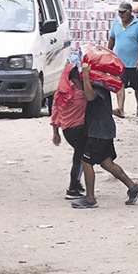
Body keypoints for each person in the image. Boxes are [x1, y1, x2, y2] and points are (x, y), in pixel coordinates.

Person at [71, 83, 138, 209]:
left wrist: (86, 75)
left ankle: (90, 198)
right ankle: (132, 187)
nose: (76, 85)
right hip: (105, 130)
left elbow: (90, 96)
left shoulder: (96, 85)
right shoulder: (100, 83)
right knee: (106, 163)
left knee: (86, 161)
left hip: (98, 132)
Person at [51, 59, 95, 199]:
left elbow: (55, 112)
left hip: (66, 130)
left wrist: (55, 133)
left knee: (79, 157)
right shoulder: (80, 94)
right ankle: (73, 188)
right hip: (79, 130)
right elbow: (91, 97)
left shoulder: (61, 93)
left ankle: (77, 185)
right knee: (81, 159)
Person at [109, 2, 138, 117]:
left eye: (124, 12)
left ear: (130, 12)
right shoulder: (116, 24)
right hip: (120, 63)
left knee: (137, 87)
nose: (121, 14)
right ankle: (120, 109)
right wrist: (107, 54)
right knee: (120, 85)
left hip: (134, 62)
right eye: (119, 12)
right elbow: (111, 40)